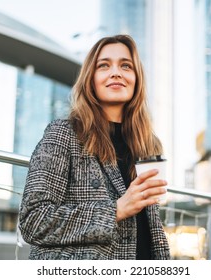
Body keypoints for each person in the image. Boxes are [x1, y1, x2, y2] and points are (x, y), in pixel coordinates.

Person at [18, 34, 171, 260]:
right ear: (91, 78)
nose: (116, 72)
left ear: (137, 78)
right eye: (104, 66)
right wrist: (116, 210)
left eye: (126, 66)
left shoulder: (149, 144)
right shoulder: (63, 133)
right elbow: (34, 220)